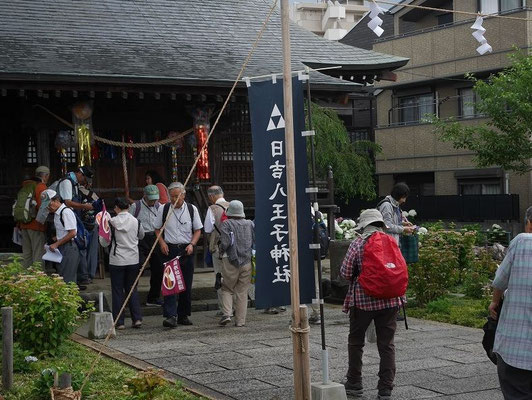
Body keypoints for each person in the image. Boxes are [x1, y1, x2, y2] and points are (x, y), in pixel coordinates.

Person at [340, 209, 405, 400]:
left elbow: (345, 273)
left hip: (363, 301)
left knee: (356, 342)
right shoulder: (391, 242)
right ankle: (385, 389)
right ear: (380, 224)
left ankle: (354, 383)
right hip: (391, 300)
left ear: (364, 225)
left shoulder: (358, 243)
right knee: (387, 345)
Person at [488, 205, 532, 399]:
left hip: (517, 350)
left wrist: (494, 302)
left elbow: (499, 281)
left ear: (529, 223)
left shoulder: (522, 241)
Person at [155, 182, 202, 328]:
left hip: (186, 250)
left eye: (177, 196)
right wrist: (162, 243)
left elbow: (198, 230)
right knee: (170, 284)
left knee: (186, 284)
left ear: (183, 194)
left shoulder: (191, 209)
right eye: (172, 196)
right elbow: (157, 229)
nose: (175, 199)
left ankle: (183, 315)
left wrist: (192, 244)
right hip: (169, 249)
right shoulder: (164, 209)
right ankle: (170, 316)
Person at [99, 198, 144, 330]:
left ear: (116, 208)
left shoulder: (112, 222)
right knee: (132, 289)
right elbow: (141, 236)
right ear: (128, 207)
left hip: (117, 260)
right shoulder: (136, 221)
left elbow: (104, 242)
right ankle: (137, 319)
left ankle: (119, 321)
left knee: (118, 290)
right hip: (133, 259)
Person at [218, 200, 254, 327]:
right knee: (242, 292)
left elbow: (225, 242)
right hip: (247, 261)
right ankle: (240, 321)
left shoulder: (227, 223)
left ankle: (227, 314)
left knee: (227, 288)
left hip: (230, 260)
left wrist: (220, 252)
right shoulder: (250, 223)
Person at [129, 185, 163, 306]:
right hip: (140, 239)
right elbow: (129, 222)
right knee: (137, 268)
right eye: (151, 199)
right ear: (144, 196)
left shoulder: (160, 207)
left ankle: (153, 297)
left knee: (158, 269)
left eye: (155, 199)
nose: (153, 202)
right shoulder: (135, 207)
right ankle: (131, 298)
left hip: (155, 237)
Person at [203, 185, 230, 312]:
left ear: (212, 196)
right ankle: (235, 306)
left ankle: (224, 308)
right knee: (233, 277)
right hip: (234, 248)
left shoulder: (212, 209)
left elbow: (207, 228)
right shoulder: (233, 206)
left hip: (219, 247)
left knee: (220, 276)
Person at [18, 165, 50, 268]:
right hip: (36, 225)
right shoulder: (41, 187)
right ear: (45, 176)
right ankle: (38, 279)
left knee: (27, 254)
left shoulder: (25, 185)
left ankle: (26, 279)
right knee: (38, 254)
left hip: (23, 224)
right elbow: (43, 207)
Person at [46, 190, 79, 284]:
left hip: (69, 248)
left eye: (49, 204)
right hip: (63, 247)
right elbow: (64, 231)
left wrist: (56, 243)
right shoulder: (57, 213)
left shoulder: (66, 212)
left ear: (56, 200)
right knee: (63, 277)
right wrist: (55, 240)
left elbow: (72, 233)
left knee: (68, 280)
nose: (48, 207)